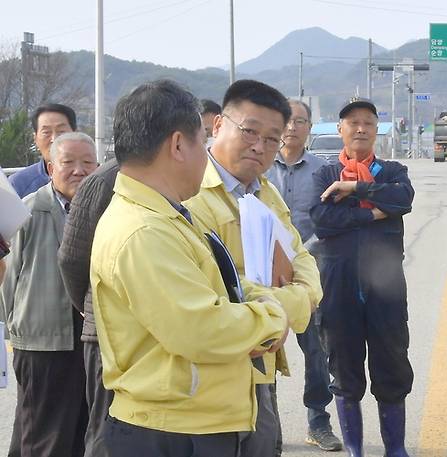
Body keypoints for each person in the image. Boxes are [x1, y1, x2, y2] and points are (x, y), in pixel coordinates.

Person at [91, 79, 288, 457]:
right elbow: (201, 329)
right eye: (203, 141)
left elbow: (227, 285)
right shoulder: (144, 231)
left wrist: (258, 300)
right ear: (179, 145)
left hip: (193, 421)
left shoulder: (169, 214)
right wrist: (272, 318)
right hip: (173, 430)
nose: (208, 154)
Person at [185, 80, 321, 457]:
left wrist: (302, 298)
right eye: (249, 131)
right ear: (217, 127)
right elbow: (216, 284)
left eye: (272, 138)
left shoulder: (265, 192)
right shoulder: (190, 191)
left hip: (261, 362)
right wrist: (289, 308)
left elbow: (301, 259)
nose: (259, 146)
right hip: (212, 371)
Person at [309, 97, 415, 457]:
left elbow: (402, 200)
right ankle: (355, 449)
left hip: (385, 286)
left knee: (392, 366)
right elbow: (323, 221)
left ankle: (395, 449)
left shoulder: (394, 171)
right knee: (344, 370)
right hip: (338, 286)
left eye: (368, 123)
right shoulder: (324, 174)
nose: (360, 128)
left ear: (377, 131)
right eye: (352, 122)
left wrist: (355, 190)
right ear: (340, 130)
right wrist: (372, 215)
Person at [1, 131, 98, 456]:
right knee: (42, 433)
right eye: (68, 162)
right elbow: (7, 280)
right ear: (50, 166)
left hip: (90, 343)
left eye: (87, 163)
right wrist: (13, 326)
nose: (79, 170)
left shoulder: (106, 212)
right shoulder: (28, 211)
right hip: (41, 343)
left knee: (83, 431)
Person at [265, 99, 342, 452]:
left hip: (310, 276)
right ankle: (269, 427)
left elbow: (328, 221)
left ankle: (318, 422)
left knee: (316, 352)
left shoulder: (322, 170)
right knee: (265, 350)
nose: (293, 127)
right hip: (263, 277)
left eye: (301, 121)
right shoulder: (260, 168)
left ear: (311, 127)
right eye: (289, 120)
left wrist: (299, 255)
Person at [58, 156, 120, 457]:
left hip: (147, 331)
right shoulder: (106, 179)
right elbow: (72, 258)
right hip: (107, 332)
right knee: (105, 429)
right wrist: (90, 305)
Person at [9, 103, 77, 198]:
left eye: (61, 131)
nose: (54, 139)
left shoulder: (94, 177)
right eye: (46, 132)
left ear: (75, 135)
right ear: (35, 138)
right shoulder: (19, 184)